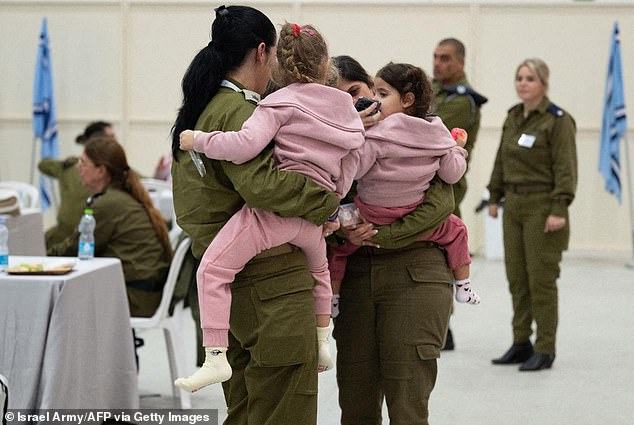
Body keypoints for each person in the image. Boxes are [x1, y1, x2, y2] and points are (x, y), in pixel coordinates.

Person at [170, 6, 340, 424]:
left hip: (237, 278)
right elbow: (264, 186)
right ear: (262, 52)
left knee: (247, 409)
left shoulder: (207, 105)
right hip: (270, 280)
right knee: (284, 407)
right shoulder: (241, 111)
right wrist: (327, 203)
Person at [331, 57, 457, 425]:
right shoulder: (341, 141)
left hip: (414, 269)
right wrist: (341, 227)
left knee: (407, 398)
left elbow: (441, 202)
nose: (356, 105)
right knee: (355, 397)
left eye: (358, 92)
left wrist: (380, 236)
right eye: (341, 101)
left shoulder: (424, 134)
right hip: (354, 275)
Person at [328, 63, 480, 318]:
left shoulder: (374, 133)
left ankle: (332, 299)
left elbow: (353, 172)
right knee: (457, 230)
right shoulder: (436, 132)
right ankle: (463, 285)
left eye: (379, 94)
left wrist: (353, 138)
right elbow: (452, 173)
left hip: (368, 214)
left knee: (337, 243)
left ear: (407, 99)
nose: (369, 101)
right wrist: (457, 149)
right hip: (408, 210)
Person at [487, 58, 577, 372]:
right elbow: (501, 158)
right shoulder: (514, 117)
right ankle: (521, 341)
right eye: (519, 78)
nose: (523, 83)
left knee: (541, 280)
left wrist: (559, 208)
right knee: (517, 279)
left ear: (543, 83)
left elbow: (566, 168)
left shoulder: (557, 120)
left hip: (543, 206)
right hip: (514, 206)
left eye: (530, 78)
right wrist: (494, 195)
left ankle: (545, 347)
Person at [48, 136, 172, 317]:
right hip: (145, 293)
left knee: (59, 304)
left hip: (135, 298)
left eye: (83, 162)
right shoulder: (121, 197)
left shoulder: (107, 204)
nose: (77, 168)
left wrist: (42, 258)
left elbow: (75, 248)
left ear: (100, 171)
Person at [432, 37, 487, 350]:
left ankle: (443, 327)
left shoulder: (461, 101)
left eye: (446, 58)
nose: (438, 63)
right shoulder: (438, 90)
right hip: (433, 186)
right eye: (436, 57)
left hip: (448, 187)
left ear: (461, 63)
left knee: (442, 259)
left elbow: (434, 131)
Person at [39, 121, 115, 247]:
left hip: (90, 238)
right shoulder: (69, 167)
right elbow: (43, 164)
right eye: (111, 138)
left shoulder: (69, 167)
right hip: (67, 237)